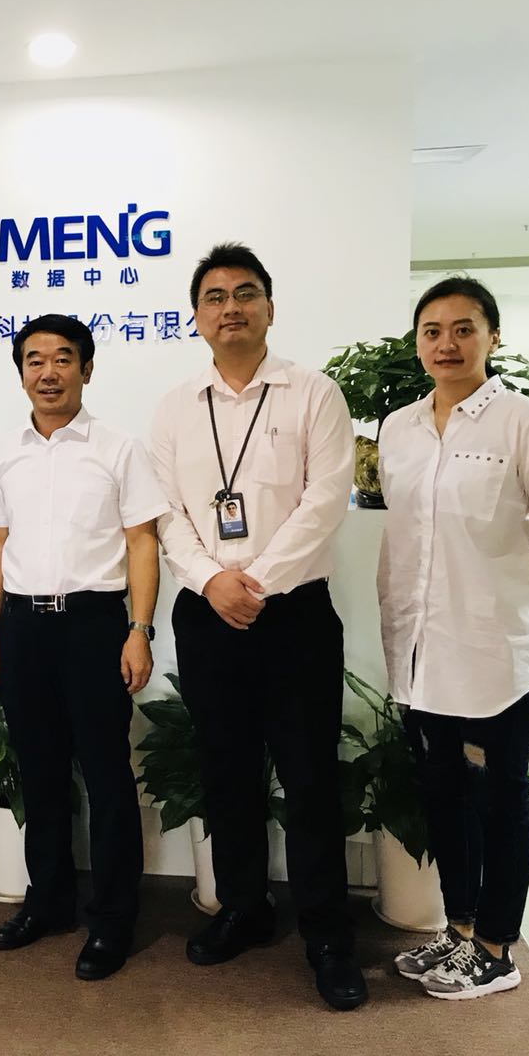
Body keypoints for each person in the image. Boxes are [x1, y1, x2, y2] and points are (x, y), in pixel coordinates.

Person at [150, 242, 365, 1010]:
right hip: (208, 612)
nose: (230, 308)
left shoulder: (313, 394)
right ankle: (243, 907)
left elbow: (325, 499)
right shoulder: (177, 407)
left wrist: (259, 583)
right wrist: (213, 581)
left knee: (309, 779)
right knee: (227, 771)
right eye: (215, 297)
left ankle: (328, 937)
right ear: (196, 317)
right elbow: (165, 512)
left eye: (245, 293)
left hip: (294, 615)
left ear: (270, 307)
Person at [379, 277, 529, 1000]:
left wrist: (526, 617)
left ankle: (497, 948)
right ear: (418, 343)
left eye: (463, 329)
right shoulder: (400, 428)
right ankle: (460, 928)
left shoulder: (527, 424)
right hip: (420, 651)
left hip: (496, 656)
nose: (447, 344)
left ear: (493, 337)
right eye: (432, 331)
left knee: (500, 803)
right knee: (444, 798)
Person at [0, 314, 167, 981]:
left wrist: (139, 629)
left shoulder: (119, 448)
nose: (48, 372)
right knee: (40, 772)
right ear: (21, 373)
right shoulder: (3, 452)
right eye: (34, 360)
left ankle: (112, 917)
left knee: (107, 776)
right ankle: (49, 901)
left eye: (62, 358)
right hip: (23, 627)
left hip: (94, 625)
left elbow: (142, 542)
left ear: (86, 368)